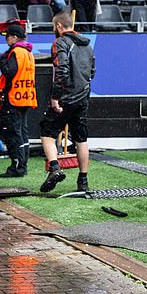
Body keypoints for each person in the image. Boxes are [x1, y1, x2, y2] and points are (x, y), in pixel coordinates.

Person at [40, 11, 95, 192]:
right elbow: (92, 71)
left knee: (47, 134)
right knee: (81, 139)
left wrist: (55, 97)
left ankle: (55, 169)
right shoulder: (87, 45)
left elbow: (61, 70)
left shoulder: (60, 43)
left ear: (58, 26)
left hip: (64, 99)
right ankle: (83, 181)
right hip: (83, 98)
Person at [0, 21, 37, 178]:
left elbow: (9, 71)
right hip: (26, 98)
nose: (6, 40)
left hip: (14, 98)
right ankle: (22, 165)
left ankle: (17, 167)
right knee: (22, 133)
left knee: (14, 133)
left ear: (14, 37)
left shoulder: (15, 52)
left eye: (7, 37)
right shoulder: (28, 53)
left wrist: (3, 60)